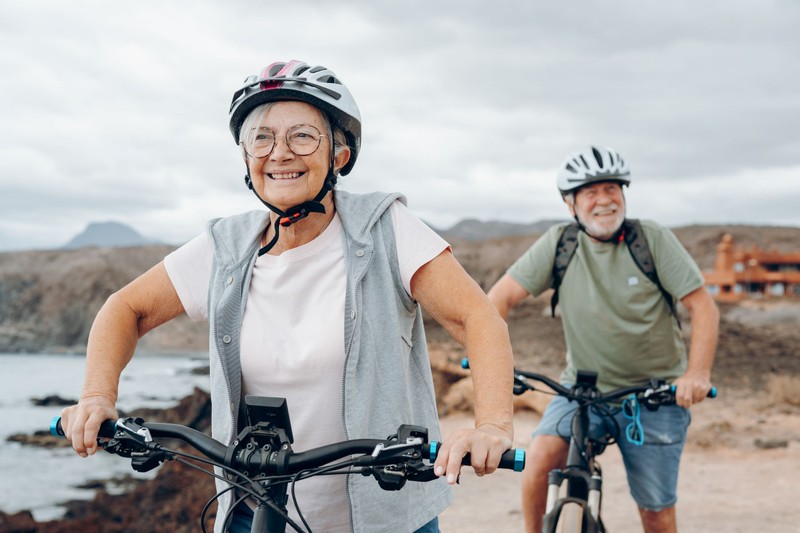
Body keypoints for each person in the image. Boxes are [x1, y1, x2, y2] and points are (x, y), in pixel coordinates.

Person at [60, 60, 515, 533]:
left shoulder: (385, 229)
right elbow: (126, 308)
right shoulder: (226, 246)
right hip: (253, 509)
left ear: (339, 155)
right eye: (261, 138)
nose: (279, 153)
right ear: (246, 158)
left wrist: (493, 426)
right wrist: (96, 397)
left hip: (386, 513)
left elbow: (476, 318)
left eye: (302, 136)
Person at [487, 145, 719, 533]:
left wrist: (696, 373)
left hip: (654, 395)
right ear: (571, 204)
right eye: (591, 192)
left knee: (656, 512)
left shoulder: (651, 239)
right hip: (582, 390)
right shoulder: (560, 243)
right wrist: (495, 365)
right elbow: (497, 300)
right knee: (540, 459)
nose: (604, 200)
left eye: (612, 189)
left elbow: (704, 307)